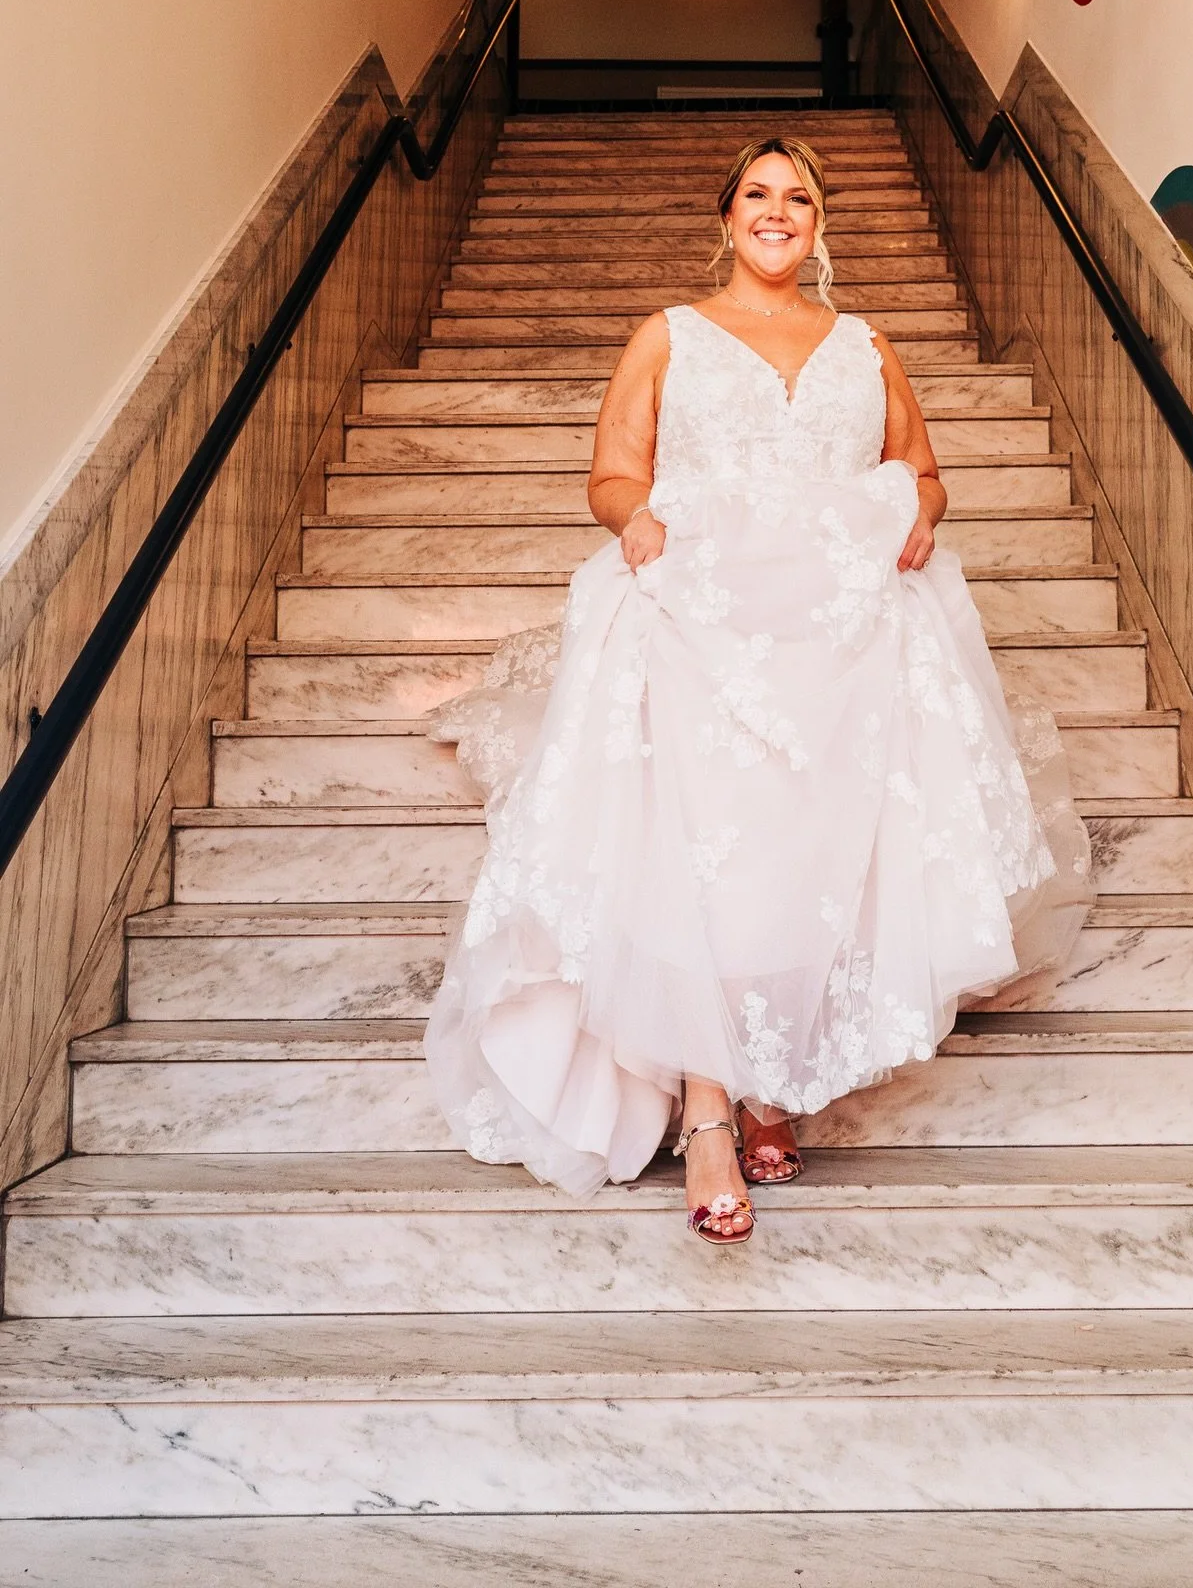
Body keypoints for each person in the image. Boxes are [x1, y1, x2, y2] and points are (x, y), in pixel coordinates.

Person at [424, 136, 1091, 1244]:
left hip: (834, 637)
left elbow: (921, 469)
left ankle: (777, 1082)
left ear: (819, 224)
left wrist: (920, 515)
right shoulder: (669, 335)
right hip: (700, 620)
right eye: (758, 195)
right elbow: (613, 470)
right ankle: (708, 1115)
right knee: (700, 849)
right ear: (725, 218)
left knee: (804, 855)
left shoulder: (865, 344)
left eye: (800, 198)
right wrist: (632, 519)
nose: (778, 212)